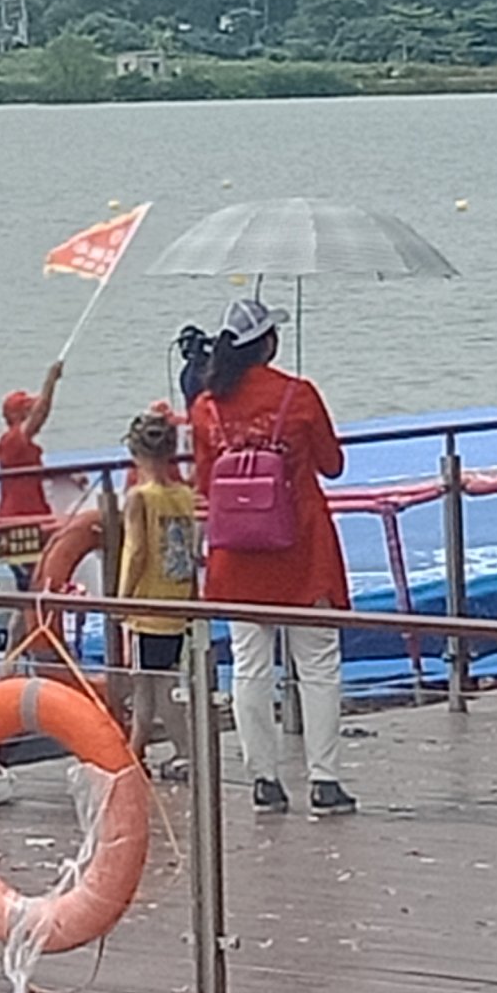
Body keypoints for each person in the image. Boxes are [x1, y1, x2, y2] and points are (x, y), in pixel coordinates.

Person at [189, 297, 356, 817]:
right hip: (301, 548)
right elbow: (332, 464)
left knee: (249, 666)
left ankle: (263, 778)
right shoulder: (298, 395)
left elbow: (203, 483)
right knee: (318, 664)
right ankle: (324, 779)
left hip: (237, 553)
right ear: (268, 343)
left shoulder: (205, 407)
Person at [114, 404, 198, 778]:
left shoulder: (139, 497)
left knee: (148, 688)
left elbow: (136, 551)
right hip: (175, 599)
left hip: (146, 606)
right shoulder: (184, 495)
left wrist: (121, 599)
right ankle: (141, 750)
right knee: (163, 680)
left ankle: (163, 751)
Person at [0, 357, 65, 582]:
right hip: (19, 524)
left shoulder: (20, 446)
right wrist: (50, 381)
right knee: (34, 583)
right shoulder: (11, 441)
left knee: (36, 581)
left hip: (27, 521)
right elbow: (40, 414)